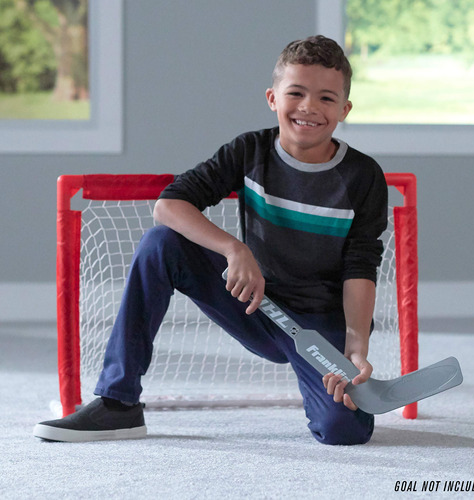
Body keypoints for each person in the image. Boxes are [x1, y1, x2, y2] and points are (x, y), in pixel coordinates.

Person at [33, 35, 387, 445]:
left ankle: (341, 398)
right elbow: (169, 206)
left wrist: (355, 349)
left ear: (344, 110)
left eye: (326, 98)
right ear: (273, 98)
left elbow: (361, 265)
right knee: (161, 244)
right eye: (296, 93)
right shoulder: (249, 150)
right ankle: (118, 402)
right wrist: (234, 248)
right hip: (256, 303)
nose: (309, 107)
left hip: (319, 326)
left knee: (344, 431)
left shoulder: (363, 176)